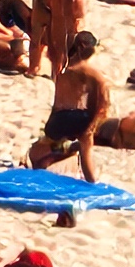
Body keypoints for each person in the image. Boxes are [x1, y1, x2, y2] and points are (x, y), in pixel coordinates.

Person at [25, 29, 111, 179]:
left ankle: (65, 149)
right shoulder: (92, 73)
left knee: (35, 158)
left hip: (58, 118)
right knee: (86, 153)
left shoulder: (59, 66)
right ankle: (91, 183)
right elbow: (102, 103)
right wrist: (92, 126)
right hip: (80, 117)